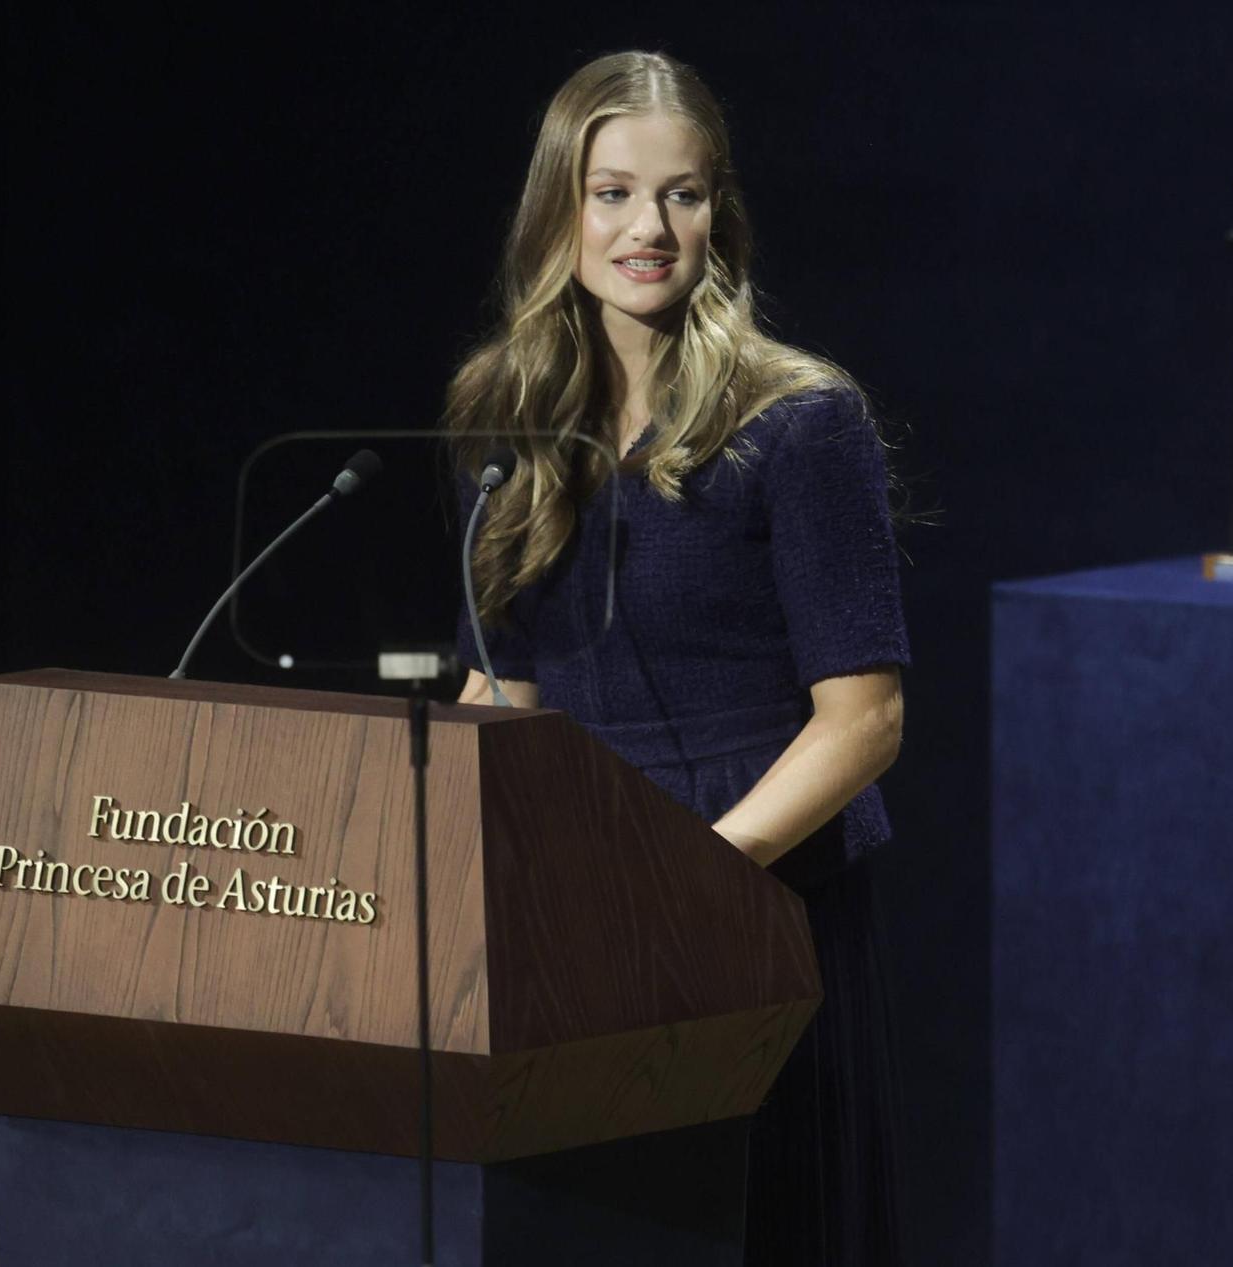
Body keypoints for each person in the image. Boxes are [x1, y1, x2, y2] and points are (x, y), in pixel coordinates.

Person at [448, 50, 907, 1266]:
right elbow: (500, 686)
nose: (648, 227)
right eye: (612, 193)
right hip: (575, 925)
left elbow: (862, 722)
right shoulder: (506, 417)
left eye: (682, 194)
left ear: (719, 216)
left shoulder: (798, 422)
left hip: (757, 901)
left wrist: (694, 883)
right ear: (561, 209)